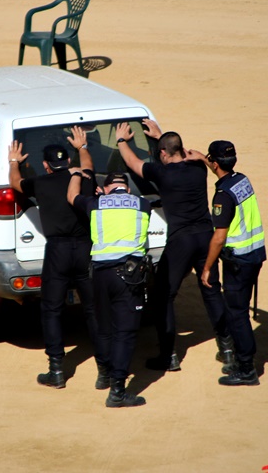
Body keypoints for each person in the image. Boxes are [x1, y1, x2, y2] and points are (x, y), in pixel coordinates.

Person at [115, 119, 232, 372]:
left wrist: (121, 140)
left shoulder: (161, 173)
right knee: (211, 289)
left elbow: (133, 163)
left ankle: (168, 356)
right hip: (206, 238)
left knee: (163, 296)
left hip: (181, 242)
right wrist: (161, 138)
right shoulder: (199, 168)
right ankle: (228, 349)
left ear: (163, 154)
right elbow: (186, 154)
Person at [8, 126, 109, 390]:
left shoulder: (41, 182)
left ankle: (56, 371)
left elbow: (15, 183)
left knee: (52, 309)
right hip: (86, 249)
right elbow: (88, 165)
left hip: (57, 252)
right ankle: (105, 370)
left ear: (46, 165)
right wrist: (82, 147)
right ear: (67, 162)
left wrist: (14, 161)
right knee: (93, 309)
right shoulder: (84, 178)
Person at [68, 171, 152, 408]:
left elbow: (72, 195)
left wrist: (76, 173)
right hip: (129, 276)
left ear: (105, 188)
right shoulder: (142, 204)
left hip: (100, 276)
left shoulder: (95, 204)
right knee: (125, 332)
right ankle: (117, 391)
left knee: (104, 327)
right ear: (126, 188)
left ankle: (104, 373)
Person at [200, 141, 266, 386]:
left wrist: (207, 267)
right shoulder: (241, 180)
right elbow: (217, 166)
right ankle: (242, 359)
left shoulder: (222, 196)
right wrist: (200, 157)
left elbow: (219, 238)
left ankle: (247, 368)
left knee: (237, 314)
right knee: (239, 311)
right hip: (254, 254)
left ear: (215, 163)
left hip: (238, 260)